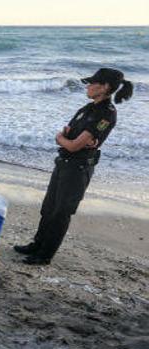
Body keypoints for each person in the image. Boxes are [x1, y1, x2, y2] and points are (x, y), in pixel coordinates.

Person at [14, 68, 133, 265]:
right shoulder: (86, 109)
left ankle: (45, 255)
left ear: (104, 87)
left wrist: (64, 139)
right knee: (49, 207)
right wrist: (68, 139)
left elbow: (72, 142)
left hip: (78, 169)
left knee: (61, 212)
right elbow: (69, 135)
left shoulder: (106, 114)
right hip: (64, 163)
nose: (88, 86)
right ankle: (37, 244)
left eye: (92, 83)